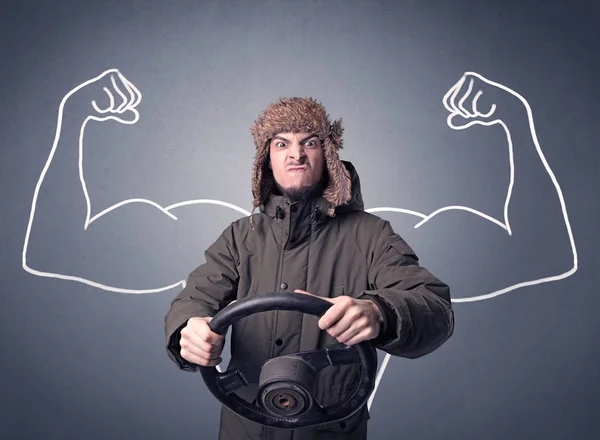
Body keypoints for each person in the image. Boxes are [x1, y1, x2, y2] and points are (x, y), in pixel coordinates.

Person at [164, 97, 454, 440]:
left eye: (310, 142)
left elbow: (434, 309)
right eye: (282, 143)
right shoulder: (239, 238)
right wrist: (189, 328)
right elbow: (195, 298)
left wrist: (380, 312)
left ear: (327, 155)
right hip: (244, 430)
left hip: (331, 431)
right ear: (266, 160)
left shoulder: (371, 235)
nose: (296, 154)